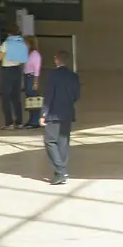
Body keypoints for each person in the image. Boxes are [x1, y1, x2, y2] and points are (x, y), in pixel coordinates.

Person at [40, 50, 80, 185]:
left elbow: (49, 96)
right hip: (67, 112)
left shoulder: (52, 75)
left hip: (53, 113)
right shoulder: (73, 76)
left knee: (50, 141)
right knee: (63, 142)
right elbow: (76, 95)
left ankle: (60, 170)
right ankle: (62, 171)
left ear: (56, 60)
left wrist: (43, 113)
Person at [0, 26, 29, 130]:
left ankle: (9, 123)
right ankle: (19, 122)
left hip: (7, 71)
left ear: (9, 34)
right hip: (17, 70)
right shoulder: (22, 43)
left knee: (6, 97)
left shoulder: (6, 43)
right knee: (16, 97)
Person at [22, 35, 43, 128]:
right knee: (29, 100)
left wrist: (35, 82)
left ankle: (35, 121)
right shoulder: (28, 53)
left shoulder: (35, 55)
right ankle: (31, 120)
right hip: (27, 76)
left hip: (32, 78)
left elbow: (36, 70)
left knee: (33, 99)